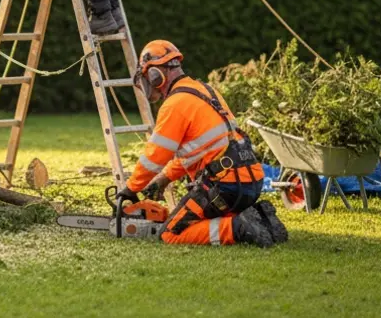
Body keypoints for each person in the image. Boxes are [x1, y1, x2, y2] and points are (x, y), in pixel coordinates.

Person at [117, 39, 288, 247]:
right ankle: (262, 218)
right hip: (250, 182)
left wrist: (131, 188)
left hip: (223, 187)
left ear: (155, 75)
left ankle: (237, 228)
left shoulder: (175, 104)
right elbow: (196, 152)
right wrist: (164, 178)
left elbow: (155, 156)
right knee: (198, 217)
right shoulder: (205, 90)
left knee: (170, 233)